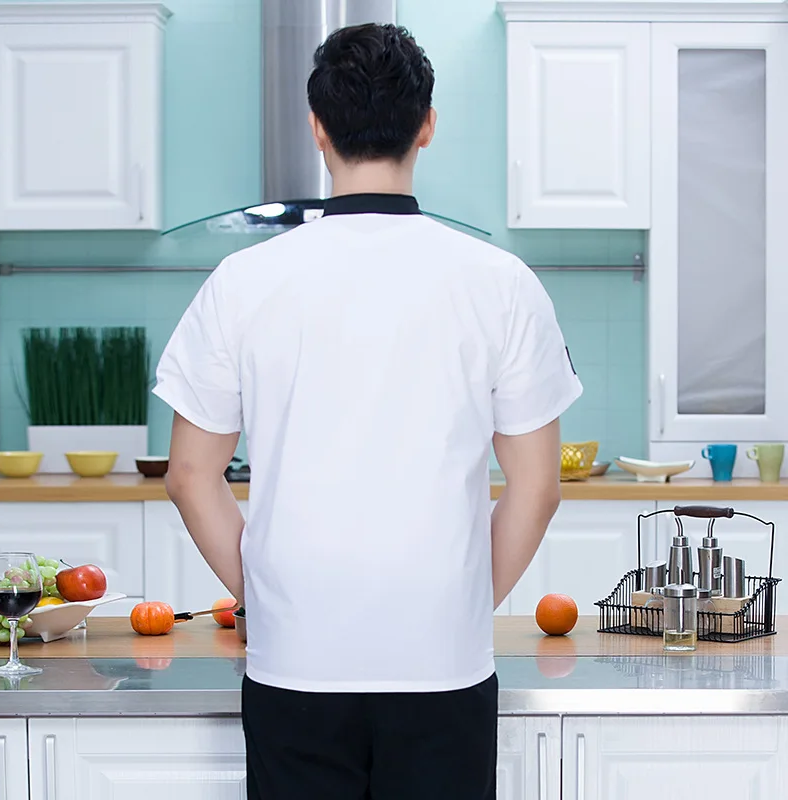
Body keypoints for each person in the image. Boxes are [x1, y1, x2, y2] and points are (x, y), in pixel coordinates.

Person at [154, 22, 582, 800]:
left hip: (295, 661)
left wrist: (264, 597)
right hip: (444, 664)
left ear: (318, 129)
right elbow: (538, 486)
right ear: (427, 125)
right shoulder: (500, 282)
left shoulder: (243, 282)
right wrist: (453, 601)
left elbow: (190, 475)